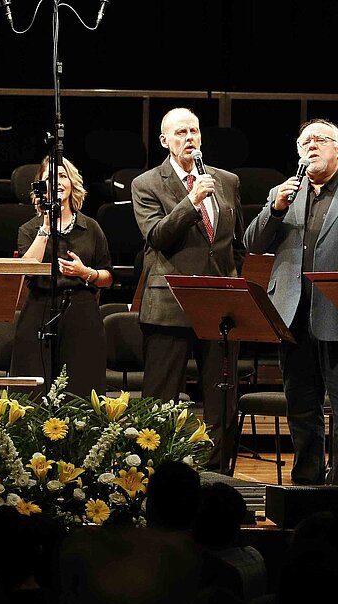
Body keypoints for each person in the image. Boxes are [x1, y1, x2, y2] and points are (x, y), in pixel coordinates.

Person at [245, 119, 338, 485]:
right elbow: (253, 243)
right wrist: (275, 208)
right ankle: (307, 480)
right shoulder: (285, 192)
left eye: (319, 140)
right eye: (304, 142)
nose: (310, 145)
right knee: (301, 406)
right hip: (291, 316)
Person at [132, 108, 246, 473]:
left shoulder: (226, 180)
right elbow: (157, 236)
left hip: (220, 306)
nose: (190, 138)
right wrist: (192, 200)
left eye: (194, 131)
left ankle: (217, 478)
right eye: (181, 132)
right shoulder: (147, 183)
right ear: (165, 140)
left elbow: (236, 243)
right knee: (161, 399)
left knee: (221, 399)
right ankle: (156, 476)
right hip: (170, 303)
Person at [10, 156, 113, 395]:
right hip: (39, 308)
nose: (57, 182)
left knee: (82, 390)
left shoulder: (91, 228)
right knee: (35, 392)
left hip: (81, 312)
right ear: (41, 187)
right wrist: (45, 228)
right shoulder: (28, 229)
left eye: (63, 176)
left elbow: (108, 277)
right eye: (50, 178)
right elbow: (25, 270)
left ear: (72, 183)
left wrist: (85, 273)